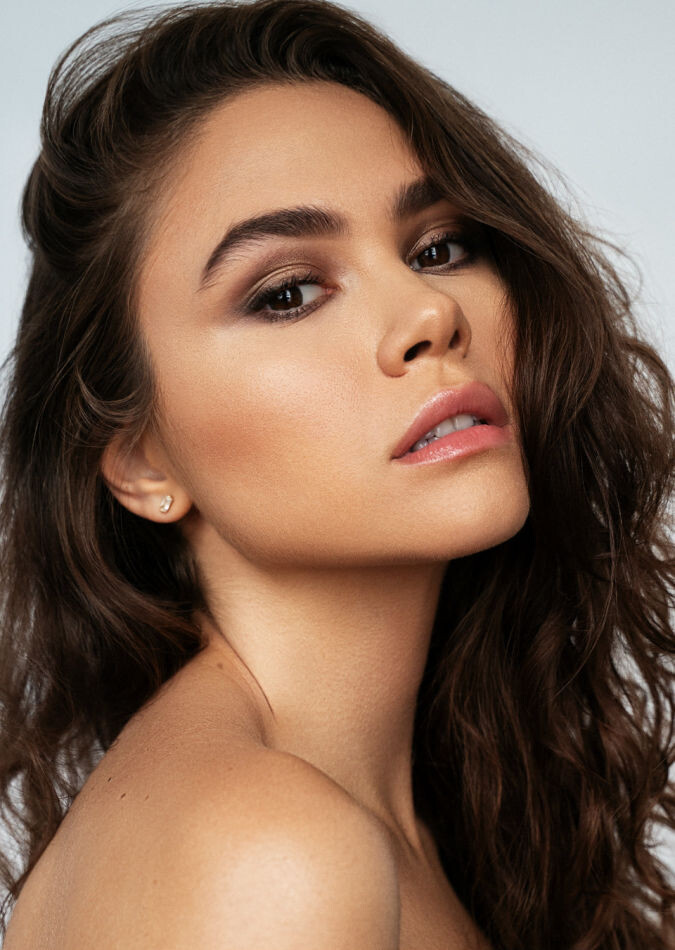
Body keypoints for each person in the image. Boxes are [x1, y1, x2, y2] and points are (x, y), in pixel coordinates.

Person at [0, 0, 673, 946]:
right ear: (142, 459)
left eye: (438, 248)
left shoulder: (412, 817)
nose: (430, 313)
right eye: (288, 293)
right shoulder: (265, 857)